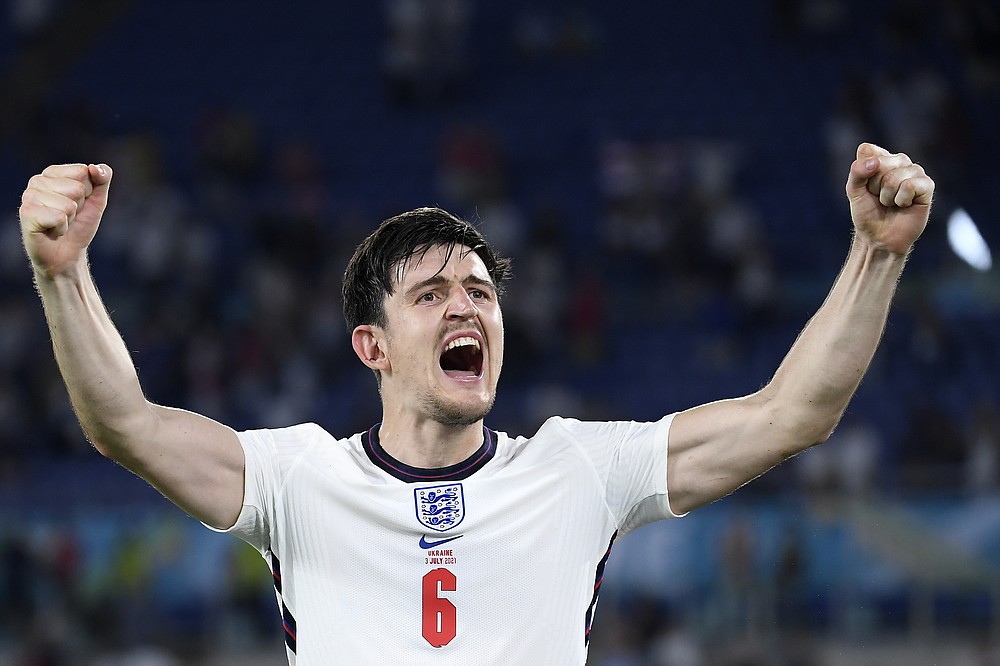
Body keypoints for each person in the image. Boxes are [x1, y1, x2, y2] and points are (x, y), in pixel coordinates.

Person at [18, 143, 934, 664]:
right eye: (431, 295)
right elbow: (125, 424)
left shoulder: (577, 468)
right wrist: (63, 275)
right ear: (370, 347)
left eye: (481, 292)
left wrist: (878, 254)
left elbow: (791, 415)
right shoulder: (297, 477)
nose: (467, 305)